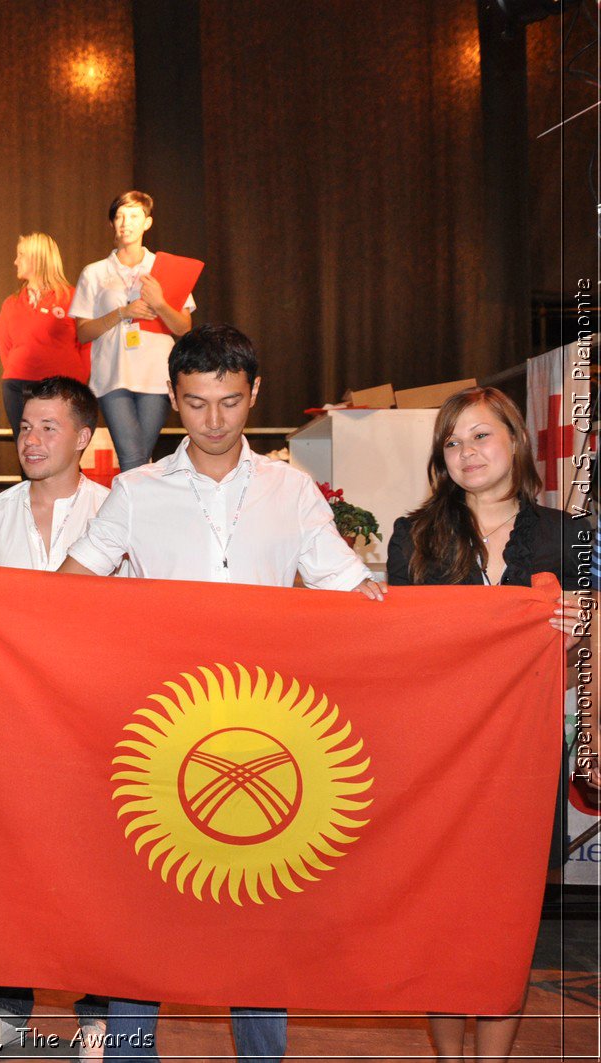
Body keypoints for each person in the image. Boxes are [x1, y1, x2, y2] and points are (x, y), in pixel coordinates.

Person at [58, 324, 384, 1062]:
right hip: (160, 732)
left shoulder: (292, 489)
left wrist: (461, 624)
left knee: (258, 906)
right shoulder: (135, 492)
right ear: (172, 399)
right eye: (198, 403)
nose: (213, 420)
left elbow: (351, 588)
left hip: (263, 731)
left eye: (230, 402)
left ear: (254, 395)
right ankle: (131, 1051)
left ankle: (261, 1058)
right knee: (146, 899)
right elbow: (67, 594)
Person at [386, 386, 593, 1062]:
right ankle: (450, 1059)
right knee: (440, 922)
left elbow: (596, 649)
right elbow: (398, 652)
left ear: (515, 441)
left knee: (507, 928)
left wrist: (583, 629)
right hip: (436, 763)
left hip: (525, 768)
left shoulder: (570, 537)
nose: (468, 452)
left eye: (481, 436)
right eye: (453, 442)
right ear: (441, 460)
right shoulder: (412, 537)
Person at [0, 377, 110, 1060]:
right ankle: (5, 1010)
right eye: (24, 428)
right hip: (10, 728)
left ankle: (98, 1014)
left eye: (47, 427)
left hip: (95, 726)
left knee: (93, 873)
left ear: (84, 437)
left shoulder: (115, 510)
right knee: (8, 868)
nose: (31, 441)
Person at [69, 191, 194, 472]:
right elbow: (83, 332)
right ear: (112, 223)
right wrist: (123, 312)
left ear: (147, 223)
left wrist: (159, 303)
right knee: (132, 456)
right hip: (113, 376)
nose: (126, 223)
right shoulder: (95, 272)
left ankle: (132, 512)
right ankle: (137, 512)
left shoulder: (164, 268)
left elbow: (184, 328)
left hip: (155, 374)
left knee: (137, 458)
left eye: (134, 216)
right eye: (120, 216)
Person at [0, 235, 87, 435]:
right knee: (27, 449)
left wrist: (75, 384)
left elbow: (87, 344)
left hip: (61, 389)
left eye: (21, 255)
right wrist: (19, 370)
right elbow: (6, 349)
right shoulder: (11, 303)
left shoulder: (72, 297)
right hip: (17, 388)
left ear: (37, 258)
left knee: (59, 450)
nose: (15, 261)